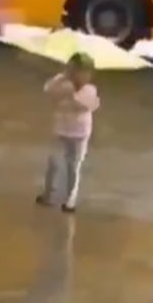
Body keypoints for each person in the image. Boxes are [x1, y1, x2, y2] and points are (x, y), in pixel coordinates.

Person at [37, 52, 99, 213]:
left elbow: (87, 105)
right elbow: (48, 90)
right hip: (60, 130)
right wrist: (63, 78)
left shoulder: (90, 90)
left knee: (73, 165)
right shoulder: (61, 82)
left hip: (80, 134)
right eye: (74, 70)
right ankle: (48, 194)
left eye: (82, 72)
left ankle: (70, 200)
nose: (78, 75)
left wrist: (72, 93)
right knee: (54, 162)